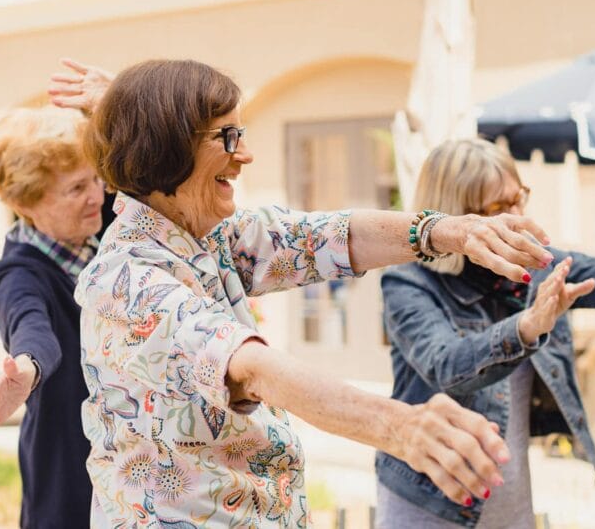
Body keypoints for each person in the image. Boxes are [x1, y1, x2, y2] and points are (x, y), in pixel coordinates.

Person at [66, 58, 559, 527]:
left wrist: (449, 230)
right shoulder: (125, 279)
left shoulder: (207, 234)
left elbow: (326, 237)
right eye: (227, 137)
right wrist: (400, 427)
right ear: (167, 148)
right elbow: (252, 368)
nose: (245, 155)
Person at [375, 137, 595, 528]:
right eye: (500, 208)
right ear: (458, 218)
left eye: (520, 197)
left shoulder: (535, 262)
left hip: (508, 498)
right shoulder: (408, 282)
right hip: (428, 502)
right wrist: (524, 327)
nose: (519, 215)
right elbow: (447, 365)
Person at [0, 105, 105, 529]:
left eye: (98, 178)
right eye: (77, 187)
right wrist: (27, 365)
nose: (98, 195)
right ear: (28, 201)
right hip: (72, 475)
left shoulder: (106, 229)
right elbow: (31, 326)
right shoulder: (17, 275)